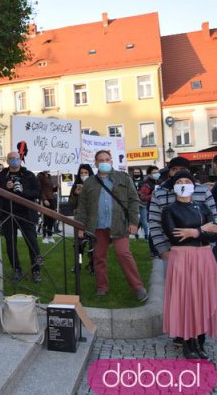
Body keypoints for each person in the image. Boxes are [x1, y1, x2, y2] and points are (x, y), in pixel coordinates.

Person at [74, 150, 148, 301]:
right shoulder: (89, 182)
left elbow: (134, 200)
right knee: (99, 257)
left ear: (112, 161)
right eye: (101, 160)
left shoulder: (123, 177)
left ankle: (138, 287)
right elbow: (82, 206)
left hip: (119, 224)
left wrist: (134, 222)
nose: (104, 162)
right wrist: (80, 226)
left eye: (107, 159)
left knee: (123, 254)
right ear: (95, 163)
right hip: (98, 226)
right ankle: (102, 287)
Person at [161, 170, 217, 359]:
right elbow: (175, 236)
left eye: (187, 181)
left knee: (203, 299)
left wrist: (193, 232)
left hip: (204, 257)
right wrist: (201, 230)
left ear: (194, 185)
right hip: (183, 258)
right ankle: (187, 341)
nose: (184, 184)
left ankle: (200, 342)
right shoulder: (169, 210)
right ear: (174, 186)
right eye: (180, 181)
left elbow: (215, 232)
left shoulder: (203, 208)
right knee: (186, 298)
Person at [0, 151, 42, 283]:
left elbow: (37, 193)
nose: (14, 161)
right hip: (8, 214)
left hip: (26, 214)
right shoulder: (1, 175)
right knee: (10, 244)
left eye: (17, 158)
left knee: (32, 242)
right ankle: (17, 269)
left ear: (21, 160)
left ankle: (36, 270)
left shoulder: (28, 175)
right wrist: (4, 188)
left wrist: (23, 191)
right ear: (7, 161)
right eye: (11, 159)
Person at [138, 166, 159, 257]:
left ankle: (158, 249)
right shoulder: (146, 184)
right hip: (150, 208)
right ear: (149, 174)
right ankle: (153, 251)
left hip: (158, 207)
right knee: (153, 229)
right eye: (154, 172)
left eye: (157, 172)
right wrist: (153, 195)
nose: (157, 174)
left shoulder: (157, 182)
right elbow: (142, 197)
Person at [37, 170, 56, 243]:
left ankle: (50, 236)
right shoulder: (40, 176)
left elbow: (50, 189)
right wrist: (44, 199)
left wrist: (56, 188)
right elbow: (40, 189)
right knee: (45, 219)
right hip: (45, 199)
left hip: (51, 199)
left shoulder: (49, 176)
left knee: (51, 219)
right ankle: (44, 236)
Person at [131, 168, 144, 239]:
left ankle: (139, 230)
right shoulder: (130, 181)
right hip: (134, 202)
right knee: (135, 218)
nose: (136, 174)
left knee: (142, 219)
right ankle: (135, 233)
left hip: (142, 202)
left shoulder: (143, 181)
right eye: (135, 172)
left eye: (138, 172)